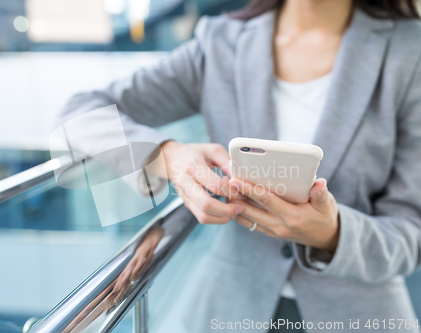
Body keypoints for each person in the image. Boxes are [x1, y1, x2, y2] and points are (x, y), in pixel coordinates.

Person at [58, 0, 421, 331]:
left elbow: (412, 232)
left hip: (362, 315)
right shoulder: (219, 44)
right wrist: (168, 156)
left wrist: (332, 234)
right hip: (231, 307)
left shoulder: (410, 51)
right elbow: (80, 113)